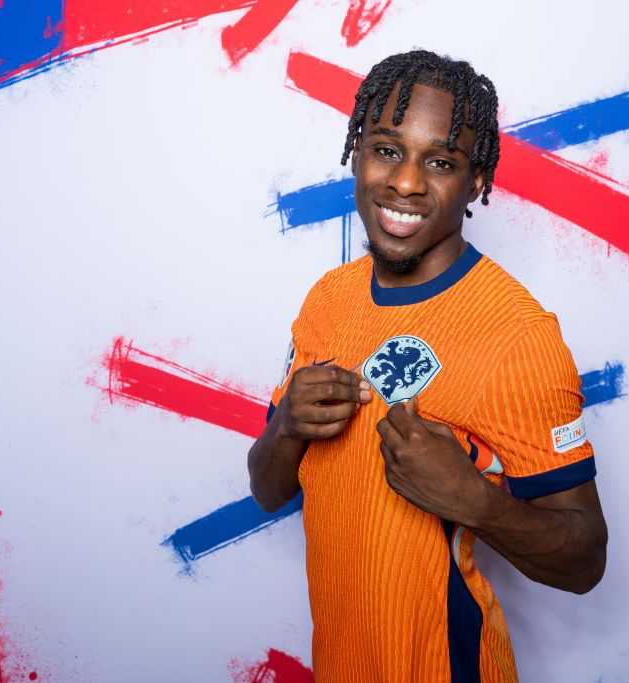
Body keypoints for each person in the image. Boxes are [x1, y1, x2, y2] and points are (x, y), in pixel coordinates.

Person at [248, 49, 608, 682]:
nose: (407, 183)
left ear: (474, 183)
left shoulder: (518, 335)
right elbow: (268, 490)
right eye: (388, 149)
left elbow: (586, 561)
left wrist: (474, 501)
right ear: (358, 153)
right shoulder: (327, 300)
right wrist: (287, 429)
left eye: (439, 162)